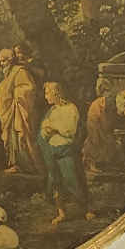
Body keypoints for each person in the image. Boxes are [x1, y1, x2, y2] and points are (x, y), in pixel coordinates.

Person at [38, 82, 87, 225]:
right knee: (55, 182)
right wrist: (46, 131)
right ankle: (61, 212)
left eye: (47, 93)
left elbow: (69, 130)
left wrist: (53, 127)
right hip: (52, 149)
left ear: (56, 94)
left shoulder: (71, 109)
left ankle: (86, 209)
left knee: (73, 180)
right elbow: (43, 129)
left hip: (66, 149)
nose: (45, 96)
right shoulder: (52, 110)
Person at [0, 47, 43, 174]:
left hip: (18, 110)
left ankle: (28, 165)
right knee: (12, 139)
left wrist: (16, 94)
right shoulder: (8, 74)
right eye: (0, 61)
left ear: (11, 60)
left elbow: (29, 88)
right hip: (8, 113)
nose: (2, 64)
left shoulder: (19, 71)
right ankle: (16, 164)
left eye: (4, 61)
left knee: (20, 136)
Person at [83, 75, 117, 174]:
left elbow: (107, 115)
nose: (109, 92)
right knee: (95, 142)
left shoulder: (103, 100)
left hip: (99, 123)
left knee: (105, 142)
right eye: (107, 90)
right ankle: (91, 165)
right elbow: (102, 115)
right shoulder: (101, 101)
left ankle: (101, 164)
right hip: (95, 123)